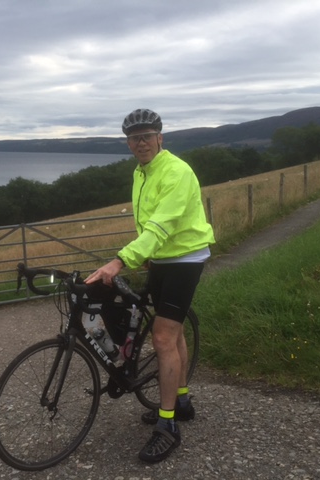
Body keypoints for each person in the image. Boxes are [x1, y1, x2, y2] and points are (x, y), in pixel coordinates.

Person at [85, 108, 215, 463]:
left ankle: (168, 424)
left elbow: (161, 224)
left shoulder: (176, 171)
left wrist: (120, 260)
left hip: (185, 258)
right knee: (174, 332)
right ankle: (182, 401)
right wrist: (145, 254)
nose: (140, 143)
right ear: (128, 143)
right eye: (133, 138)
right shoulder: (141, 172)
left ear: (160, 137)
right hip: (160, 257)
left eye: (146, 136)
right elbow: (147, 223)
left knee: (162, 337)